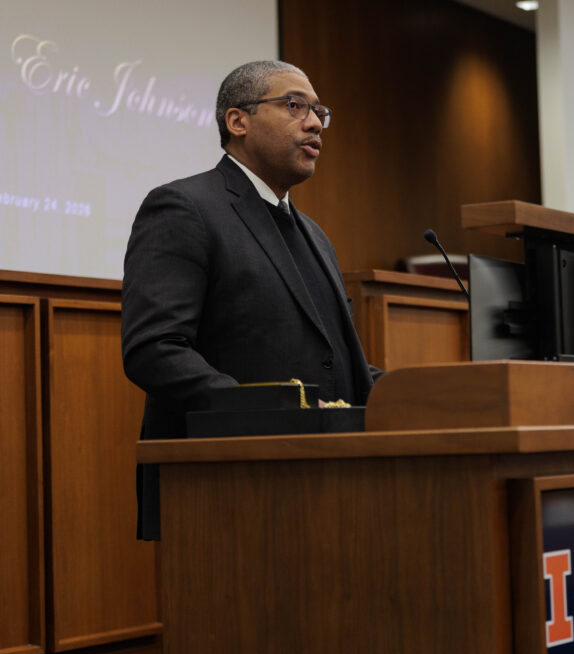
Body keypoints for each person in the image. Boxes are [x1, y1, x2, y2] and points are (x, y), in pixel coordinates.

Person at [122, 60, 381, 540]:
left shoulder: (316, 236)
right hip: (226, 484)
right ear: (237, 121)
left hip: (327, 479)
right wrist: (270, 410)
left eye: (319, 111)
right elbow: (154, 350)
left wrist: (423, 393)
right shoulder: (184, 207)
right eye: (294, 105)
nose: (315, 122)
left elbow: (337, 364)